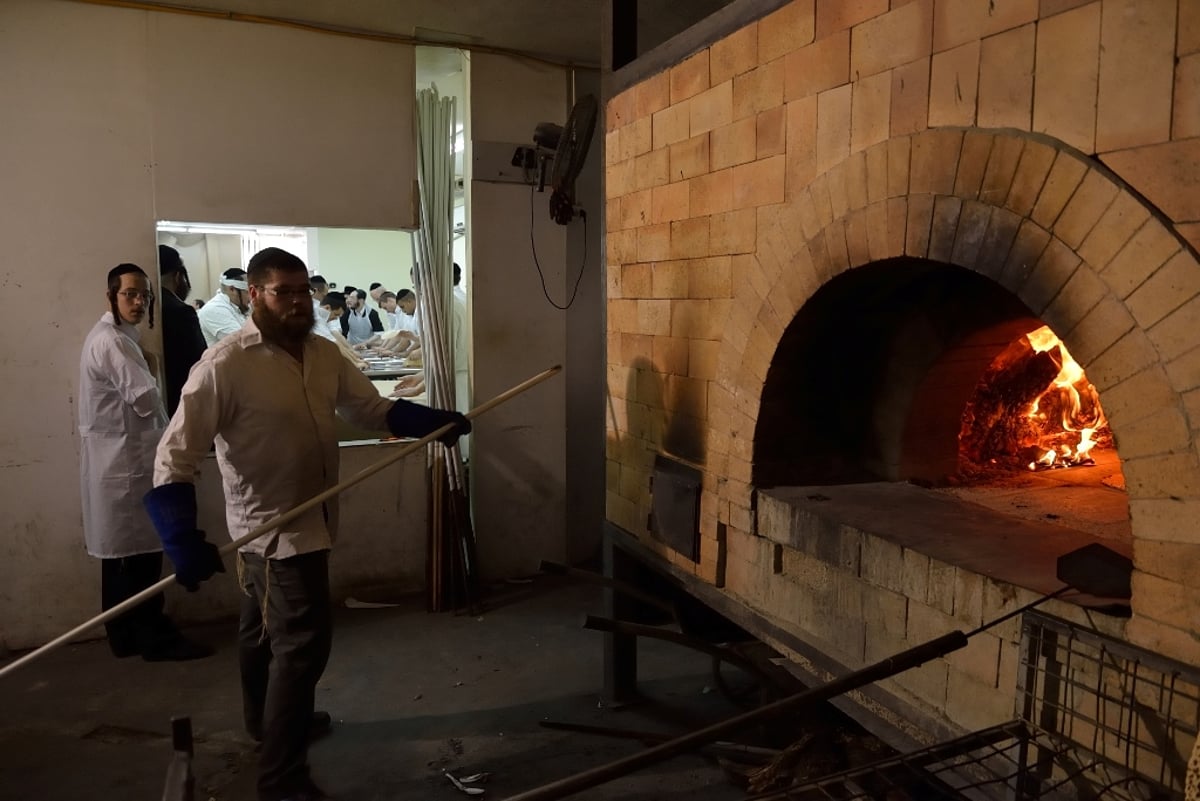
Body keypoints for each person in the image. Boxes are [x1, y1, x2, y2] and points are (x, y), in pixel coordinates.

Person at [144, 247, 470, 801]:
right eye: (283, 293)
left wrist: (433, 423)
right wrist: (179, 537)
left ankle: (263, 726)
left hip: (315, 514)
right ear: (255, 295)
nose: (298, 303)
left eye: (302, 292)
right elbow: (173, 456)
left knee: (259, 632)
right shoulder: (224, 364)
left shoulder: (321, 353)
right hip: (273, 531)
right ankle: (282, 777)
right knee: (302, 645)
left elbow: (371, 411)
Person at [78, 263, 212, 662]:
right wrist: (154, 366)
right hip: (126, 465)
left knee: (123, 557)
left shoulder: (115, 337)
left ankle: (124, 636)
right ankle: (150, 637)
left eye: (145, 296)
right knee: (138, 557)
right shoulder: (114, 343)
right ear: (111, 297)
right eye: (130, 294)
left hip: (119, 463)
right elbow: (146, 399)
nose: (139, 302)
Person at [158, 244, 207, 416]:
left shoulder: (150, 307)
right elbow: (200, 363)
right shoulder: (182, 312)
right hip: (184, 402)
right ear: (178, 276)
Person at [198, 267, 250, 346]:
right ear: (232, 289)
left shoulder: (238, 307)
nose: (251, 297)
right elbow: (243, 342)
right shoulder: (214, 309)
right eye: (247, 292)